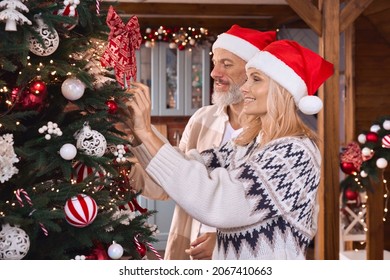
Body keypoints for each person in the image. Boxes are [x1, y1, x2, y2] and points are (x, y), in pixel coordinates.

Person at [125, 39, 334, 259]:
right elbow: (188, 166)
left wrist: (147, 133)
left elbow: (220, 203)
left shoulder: (295, 153)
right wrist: (138, 133)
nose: (244, 87)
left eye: (255, 79)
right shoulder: (246, 144)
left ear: (281, 90)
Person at [125, 25, 276, 260]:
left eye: (227, 64)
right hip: (187, 249)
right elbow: (171, 183)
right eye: (214, 62)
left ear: (254, 73)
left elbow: (273, 217)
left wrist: (224, 242)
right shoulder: (202, 119)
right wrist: (127, 168)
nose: (214, 72)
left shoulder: (276, 136)